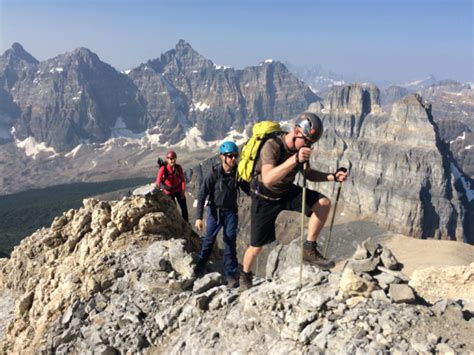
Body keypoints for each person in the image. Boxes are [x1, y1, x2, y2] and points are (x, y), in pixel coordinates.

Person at [239, 112, 348, 291]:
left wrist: (332, 177)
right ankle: (245, 275)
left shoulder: (301, 148)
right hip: (264, 198)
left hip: (286, 192)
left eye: (311, 143)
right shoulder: (272, 146)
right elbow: (268, 178)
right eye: (307, 141)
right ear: (297, 131)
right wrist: (295, 159)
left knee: (323, 204)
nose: (309, 146)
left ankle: (309, 249)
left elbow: (308, 174)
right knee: (256, 247)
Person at [194, 141, 240, 287]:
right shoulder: (214, 174)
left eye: (235, 156)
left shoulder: (238, 173)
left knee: (230, 242)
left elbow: (247, 188)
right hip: (215, 212)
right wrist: (198, 217)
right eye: (230, 156)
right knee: (209, 240)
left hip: (231, 212)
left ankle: (230, 275)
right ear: (222, 157)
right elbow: (201, 195)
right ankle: (199, 267)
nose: (233, 158)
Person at [156, 150, 189, 222]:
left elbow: (182, 180)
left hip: (178, 190)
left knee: (184, 209)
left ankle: (186, 224)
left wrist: (183, 191)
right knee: (174, 210)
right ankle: (177, 224)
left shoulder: (178, 168)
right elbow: (158, 180)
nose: (173, 161)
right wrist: (158, 190)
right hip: (169, 193)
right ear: (167, 159)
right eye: (171, 159)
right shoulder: (163, 169)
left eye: (174, 159)